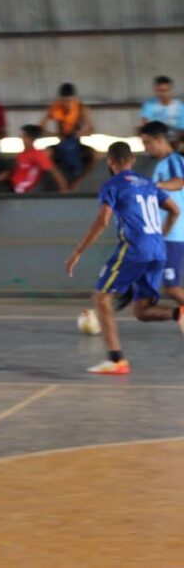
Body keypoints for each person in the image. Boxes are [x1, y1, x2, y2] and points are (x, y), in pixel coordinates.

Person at [66, 142, 184, 375]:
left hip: (134, 248)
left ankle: (116, 360)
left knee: (101, 298)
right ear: (132, 160)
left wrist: (77, 251)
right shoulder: (148, 183)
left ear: (110, 162)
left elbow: (102, 221)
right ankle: (178, 313)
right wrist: (160, 234)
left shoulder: (112, 185)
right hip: (158, 250)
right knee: (141, 310)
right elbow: (174, 209)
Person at [141, 121, 184, 305]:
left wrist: (155, 185)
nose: (145, 148)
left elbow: (179, 182)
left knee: (172, 288)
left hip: (174, 234)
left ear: (160, 140)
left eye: (147, 142)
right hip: (164, 233)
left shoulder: (174, 161)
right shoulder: (161, 165)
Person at [41, 83, 97, 191]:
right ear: (60, 99)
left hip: (76, 141)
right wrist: (55, 135)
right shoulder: (54, 108)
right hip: (61, 141)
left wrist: (80, 133)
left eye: (69, 100)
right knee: (45, 153)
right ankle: (61, 181)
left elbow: (91, 130)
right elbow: (41, 129)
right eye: (64, 101)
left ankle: (78, 182)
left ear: (75, 98)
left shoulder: (81, 108)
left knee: (96, 155)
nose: (67, 103)